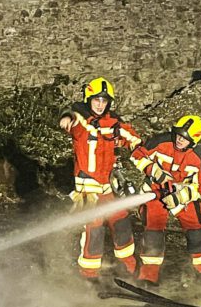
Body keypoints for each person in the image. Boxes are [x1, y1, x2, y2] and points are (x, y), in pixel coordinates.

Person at [59, 77, 142, 279]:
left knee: (121, 221)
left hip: (109, 189)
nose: (100, 104)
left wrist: (145, 158)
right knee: (94, 231)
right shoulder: (82, 123)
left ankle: (129, 268)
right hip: (89, 192)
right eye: (97, 100)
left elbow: (134, 140)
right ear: (89, 100)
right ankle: (89, 276)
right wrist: (66, 118)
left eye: (104, 101)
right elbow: (71, 116)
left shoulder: (113, 123)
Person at [130, 115, 201, 284]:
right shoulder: (161, 142)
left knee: (197, 230)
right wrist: (152, 170)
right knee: (152, 232)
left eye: (185, 138)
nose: (179, 140)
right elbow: (136, 155)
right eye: (178, 135)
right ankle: (148, 276)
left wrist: (181, 196)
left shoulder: (200, 157)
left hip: (182, 195)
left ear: (194, 140)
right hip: (155, 192)